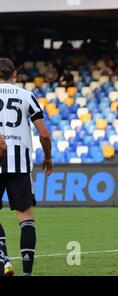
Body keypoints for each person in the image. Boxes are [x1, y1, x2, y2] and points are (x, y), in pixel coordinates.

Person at [0, 58, 52, 276]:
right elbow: (44, 134)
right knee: (26, 217)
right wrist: (48, 157)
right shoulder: (26, 95)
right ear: (15, 74)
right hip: (20, 164)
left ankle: (3, 259)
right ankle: (27, 274)